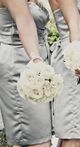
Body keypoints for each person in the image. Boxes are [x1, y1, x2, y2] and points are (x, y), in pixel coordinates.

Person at [0, 0, 52, 146]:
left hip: (35, 63)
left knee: (38, 138)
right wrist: (36, 61)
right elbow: (25, 21)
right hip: (19, 65)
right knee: (36, 140)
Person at [48, 0, 80, 146]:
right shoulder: (78, 58)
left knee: (77, 129)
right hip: (75, 59)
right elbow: (74, 24)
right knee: (74, 130)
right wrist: (79, 62)